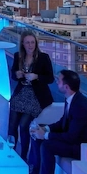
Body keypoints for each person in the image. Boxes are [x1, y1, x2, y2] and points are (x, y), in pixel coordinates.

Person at [29, 70, 87, 174]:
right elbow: (63, 122)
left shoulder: (80, 106)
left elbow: (70, 137)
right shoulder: (71, 98)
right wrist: (46, 129)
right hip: (75, 139)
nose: (56, 82)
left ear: (66, 87)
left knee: (47, 145)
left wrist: (46, 135)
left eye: (59, 81)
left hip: (84, 147)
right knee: (37, 130)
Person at [8, 31, 54, 161]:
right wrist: (17, 74)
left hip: (36, 95)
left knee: (23, 125)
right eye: (27, 42)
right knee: (12, 124)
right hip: (21, 92)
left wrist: (37, 76)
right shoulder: (18, 56)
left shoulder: (43, 57)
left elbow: (50, 78)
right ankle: (10, 152)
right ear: (23, 43)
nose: (30, 45)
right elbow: (13, 74)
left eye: (32, 42)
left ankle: (23, 157)